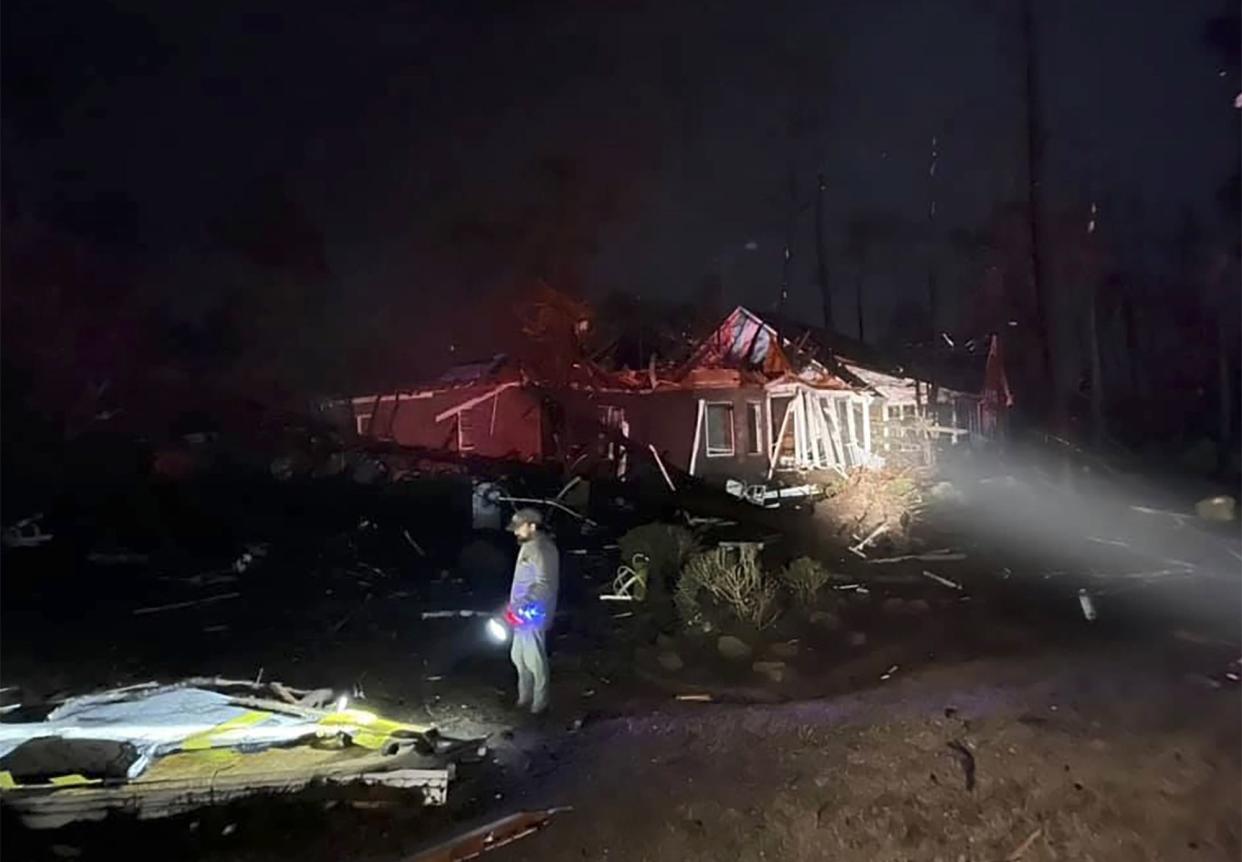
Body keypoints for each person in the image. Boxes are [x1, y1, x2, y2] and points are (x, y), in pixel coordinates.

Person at [505, 507, 559, 714]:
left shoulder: (543, 548)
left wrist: (524, 605)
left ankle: (540, 703)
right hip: (521, 612)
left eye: (519, 528)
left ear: (532, 526)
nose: (516, 532)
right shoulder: (530, 546)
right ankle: (525, 697)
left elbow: (544, 584)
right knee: (519, 656)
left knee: (534, 658)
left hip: (533, 612)